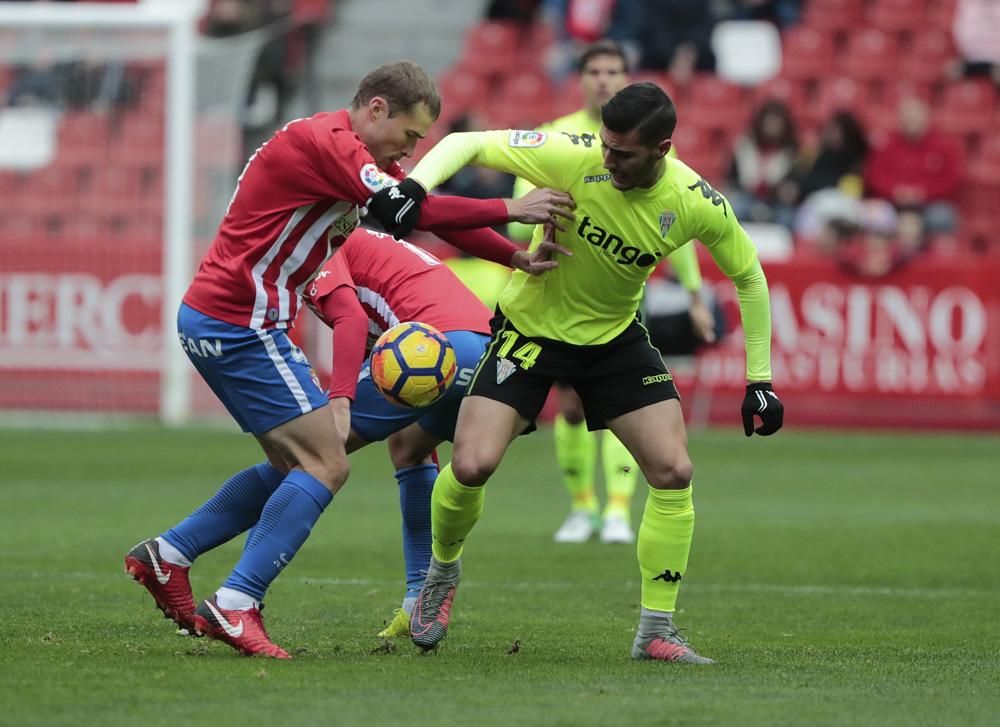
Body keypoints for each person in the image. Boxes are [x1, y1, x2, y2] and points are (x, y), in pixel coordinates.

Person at [123, 60, 575, 659]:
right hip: (243, 324)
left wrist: (511, 259)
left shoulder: (351, 172)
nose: (412, 152)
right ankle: (237, 602)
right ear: (376, 109)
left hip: (228, 319)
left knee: (302, 463)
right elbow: (393, 237)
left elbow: (419, 211)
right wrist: (510, 210)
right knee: (325, 463)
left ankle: (171, 555)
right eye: (410, 135)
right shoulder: (328, 145)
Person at [370, 82, 784, 663]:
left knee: (673, 469)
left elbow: (750, 276)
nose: (608, 159)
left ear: (662, 149)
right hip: (529, 333)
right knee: (471, 463)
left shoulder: (694, 199)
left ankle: (656, 630)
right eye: (607, 146)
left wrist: (759, 381)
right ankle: (440, 576)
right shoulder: (576, 153)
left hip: (613, 343)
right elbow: (466, 142)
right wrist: (413, 188)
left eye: (623, 153)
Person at [508, 40, 715, 545]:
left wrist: (692, 293)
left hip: (619, 295)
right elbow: (518, 221)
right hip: (560, 288)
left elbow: (675, 224)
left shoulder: (648, 142)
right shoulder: (554, 137)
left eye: (613, 71)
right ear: (580, 79)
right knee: (575, 408)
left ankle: (619, 508)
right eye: (595, 71)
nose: (604, 79)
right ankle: (583, 507)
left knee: (623, 406)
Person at [303, 227, 495, 639]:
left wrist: (341, 398)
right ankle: (419, 600)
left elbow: (351, 320)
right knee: (410, 448)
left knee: (305, 453)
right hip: (480, 348)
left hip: (442, 344)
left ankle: (225, 586)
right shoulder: (368, 244)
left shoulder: (320, 244)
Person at [864, 95, 963, 239]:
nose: (912, 122)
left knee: (942, 216)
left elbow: (951, 179)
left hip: (930, 204)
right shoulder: (885, 144)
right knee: (873, 215)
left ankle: (934, 259)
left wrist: (923, 193)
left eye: (916, 117)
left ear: (927, 118)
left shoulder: (944, 146)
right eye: (908, 117)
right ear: (900, 119)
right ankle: (882, 258)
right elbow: (874, 175)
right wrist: (895, 192)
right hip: (892, 203)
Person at [726, 99, 799, 229]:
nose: (772, 126)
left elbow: (795, 184)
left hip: (775, 201)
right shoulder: (745, 147)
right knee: (733, 209)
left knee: (787, 217)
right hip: (747, 196)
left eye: (777, 123)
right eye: (769, 121)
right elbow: (732, 178)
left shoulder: (791, 153)